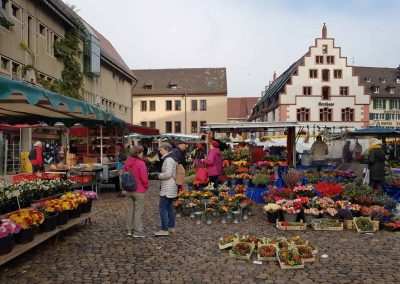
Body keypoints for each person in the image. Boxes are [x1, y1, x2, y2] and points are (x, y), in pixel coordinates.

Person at [123, 146, 150, 238]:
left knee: (130, 210)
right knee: (138, 211)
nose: (142, 154)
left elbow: (123, 174)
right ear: (138, 153)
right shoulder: (141, 163)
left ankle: (129, 230)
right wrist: (146, 186)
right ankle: (138, 231)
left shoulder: (127, 162)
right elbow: (144, 178)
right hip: (139, 190)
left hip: (128, 190)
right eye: (141, 152)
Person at [155, 142, 177, 236]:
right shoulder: (171, 158)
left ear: (167, 150)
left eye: (161, 150)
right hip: (170, 186)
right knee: (169, 207)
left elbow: (168, 174)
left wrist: (158, 175)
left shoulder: (168, 160)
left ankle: (164, 229)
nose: (160, 152)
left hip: (168, 187)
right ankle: (171, 227)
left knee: (162, 207)